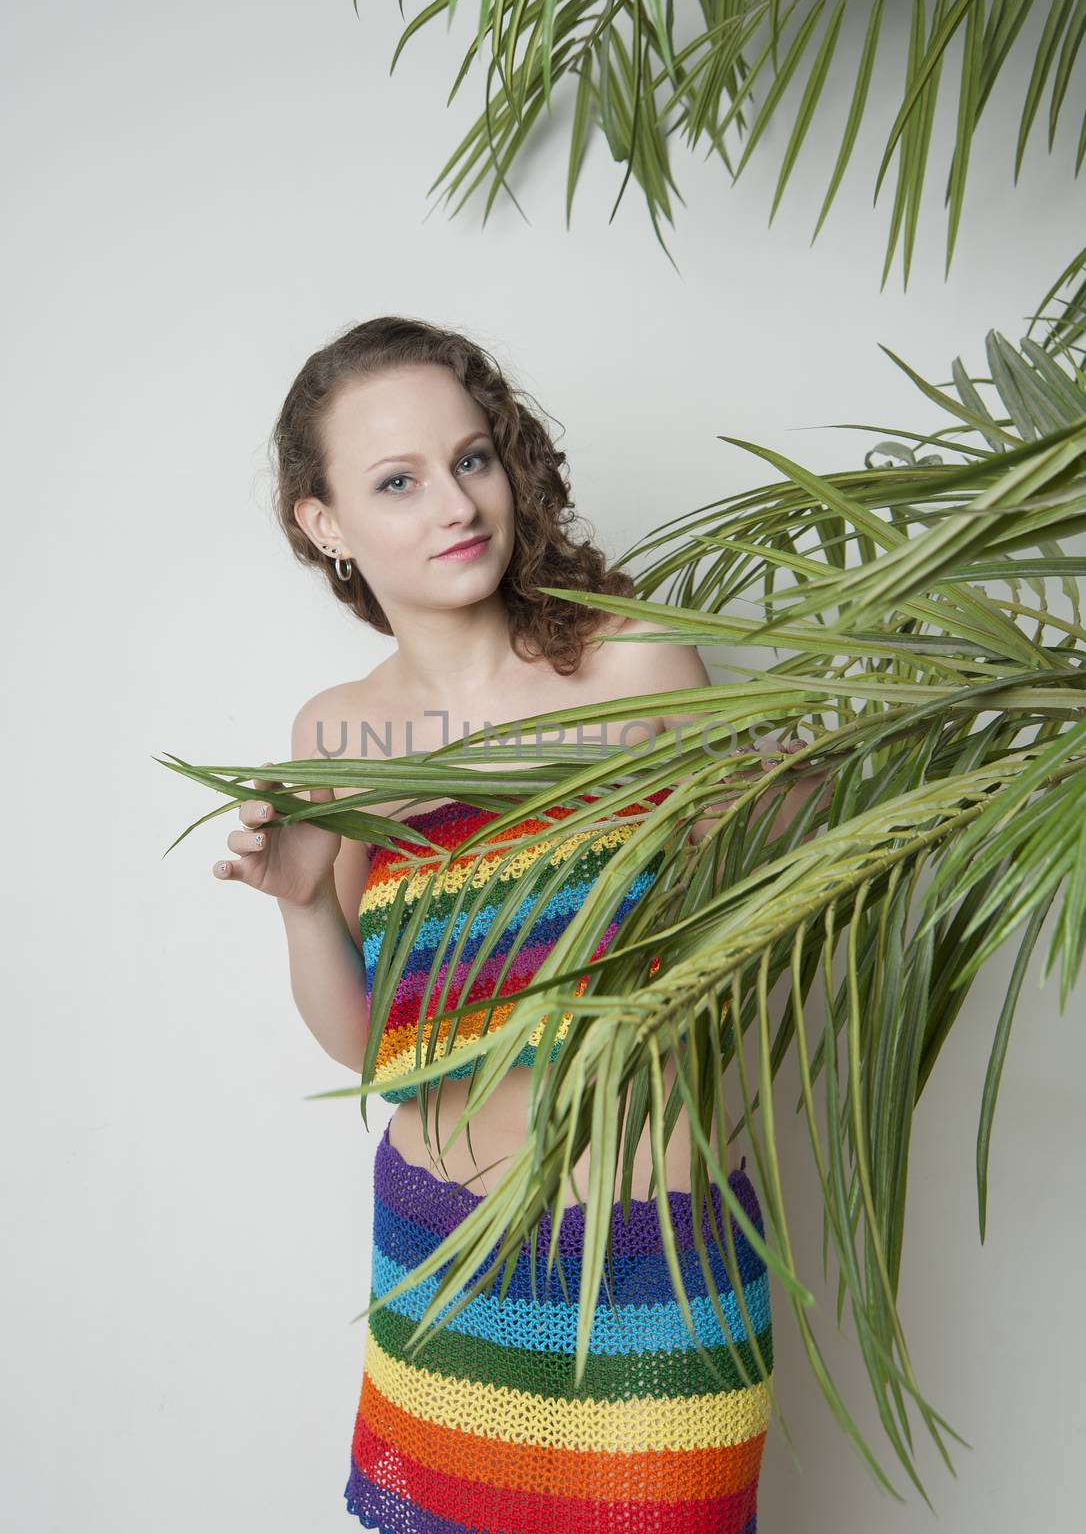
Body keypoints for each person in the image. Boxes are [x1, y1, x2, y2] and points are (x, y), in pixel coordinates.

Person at [212, 316, 820, 1533]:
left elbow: (744, 927)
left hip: (659, 1267)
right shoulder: (337, 733)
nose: (455, 502)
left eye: (471, 458)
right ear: (320, 522)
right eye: (398, 480)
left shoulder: (633, 664)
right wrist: (299, 910)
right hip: (444, 1264)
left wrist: (800, 801)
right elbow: (378, 1050)